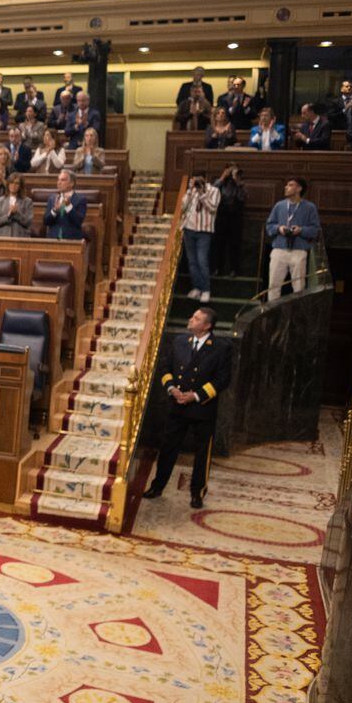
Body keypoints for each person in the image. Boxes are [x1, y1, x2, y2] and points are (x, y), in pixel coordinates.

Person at [142, 307, 227, 509]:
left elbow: (223, 379)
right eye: (193, 315)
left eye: (196, 318)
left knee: (202, 453)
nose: (191, 319)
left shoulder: (221, 347)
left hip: (202, 409)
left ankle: (197, 493)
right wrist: (172, 388)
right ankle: (158, 486)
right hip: (177, 405)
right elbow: (165, 367)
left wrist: (196, 396)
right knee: (168, 448)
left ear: (207, 326)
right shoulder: (180, 341)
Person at [263, 177, 321, 301]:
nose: (286, 187)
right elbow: (269, 225)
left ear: (299, 188)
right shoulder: (279, 205)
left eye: (290, 185)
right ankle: (272, 315)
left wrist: (301, 230)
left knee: (299, 287)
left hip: (299, 251)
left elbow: (315, 230)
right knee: (273, 285)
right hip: (279, 249)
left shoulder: (310, 207)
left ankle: (297, 316)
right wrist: (279, 228)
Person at [175, 172, 221, 302]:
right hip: (189, 230)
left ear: (205, 179)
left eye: (198, 180)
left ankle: (206, 290)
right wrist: (190, 191)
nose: (196, 182)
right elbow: (183, 207)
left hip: (203, 231)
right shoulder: (192, 191)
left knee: (202, 260)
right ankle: (197, 287)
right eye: (194, 180)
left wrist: (202, 194)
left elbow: (212, 208)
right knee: (192, 261)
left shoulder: (214, 191)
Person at [211, 165, 246, 276]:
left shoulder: (240, 185)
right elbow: (212, 191)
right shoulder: (220, 183)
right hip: (221, 216)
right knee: (219, 243)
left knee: (234, 244)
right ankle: (218, 268)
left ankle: (234, 269)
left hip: (235, 218)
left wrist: (237, 182)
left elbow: (242, 198)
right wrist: (223, 177)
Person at [40, 169, 86, 240]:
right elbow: (46, 221)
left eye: (63, 180)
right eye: (58, 180)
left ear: (72, 183)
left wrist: (68, 206)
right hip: (53, 239)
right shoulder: (52, 199)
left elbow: (78, 221)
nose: (59, 182)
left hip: (71, 240)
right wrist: (54, 210)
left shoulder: (80, 199)